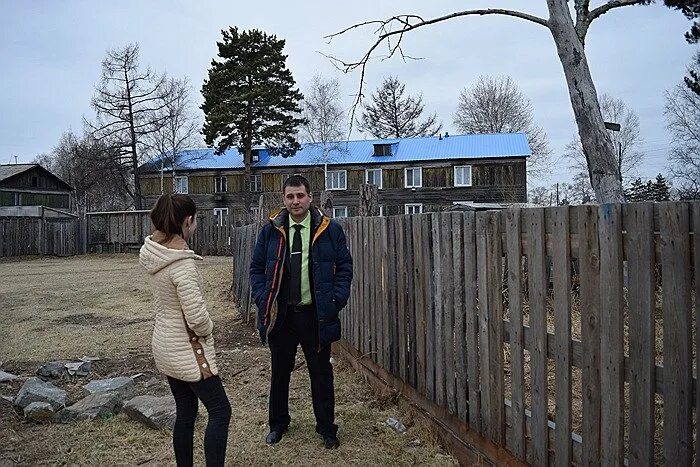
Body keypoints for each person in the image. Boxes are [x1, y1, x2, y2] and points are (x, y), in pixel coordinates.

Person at [250, 175, 353, 449]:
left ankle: (327, 429)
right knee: (280, 373)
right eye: (290, 196)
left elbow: (344, 268)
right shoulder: (271, 230)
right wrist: (264, 299)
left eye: (300, 196)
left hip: (315, 315)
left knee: (321, 374)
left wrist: (335, 299)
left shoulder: (329, 230)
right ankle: (278, 425)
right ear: (283, 199)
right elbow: (256, 269)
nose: (295, 201)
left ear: (310, 197)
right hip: (281, 316)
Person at [139, 194, 231, 467]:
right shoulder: (182, 264)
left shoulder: (154, 254)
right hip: (186, 348)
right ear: (188, 221)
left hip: (165, 343)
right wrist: (210, 328)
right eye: (195, 220)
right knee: (220, 410)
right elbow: (196, 318)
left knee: (187, 411)